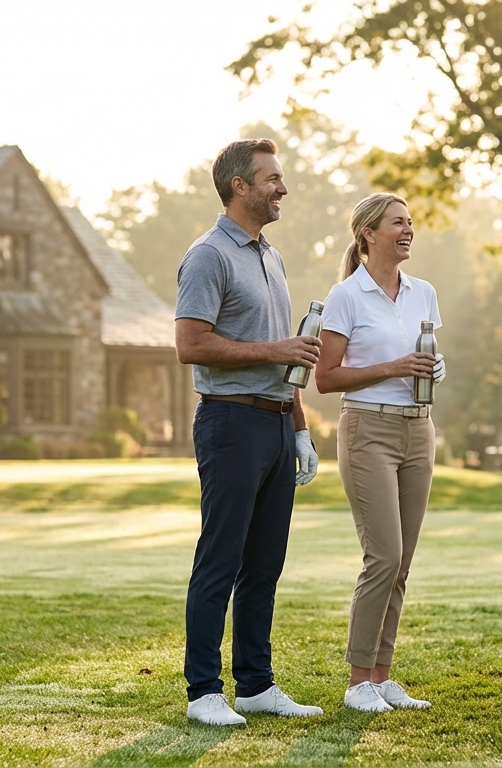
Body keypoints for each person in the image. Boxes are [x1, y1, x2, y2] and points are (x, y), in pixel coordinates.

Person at [175, 138, 324, 726]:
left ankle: (256, 684)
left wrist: (301, 427)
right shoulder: (209, 255)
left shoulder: (270, 255)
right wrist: (277, 349)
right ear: (240, 186)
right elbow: (191, 344)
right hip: (229, 423)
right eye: (272, 179)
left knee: (265, 563)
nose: (282, 188)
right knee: (222, 557)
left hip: (273, 423)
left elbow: (286, 360)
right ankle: (203, 691)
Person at [315, 193, 445, 713]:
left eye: (411, 222)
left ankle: (382, 676)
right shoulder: (346, 295)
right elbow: (325, 378)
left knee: (403, 563)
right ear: (369, 233)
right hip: (367, 429)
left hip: (420, 430)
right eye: (398, 223)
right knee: (383, 556)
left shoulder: (424, 293)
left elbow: (430, 357)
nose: (408, 230)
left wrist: (434, 369)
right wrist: (394, 368)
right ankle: (357, 682)